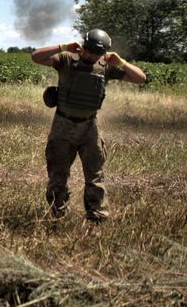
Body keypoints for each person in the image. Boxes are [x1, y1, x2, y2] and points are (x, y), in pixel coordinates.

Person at [31, 29, 146, 222]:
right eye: (89, 50)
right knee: (58, 176)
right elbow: (36, 57)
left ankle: (97, 219)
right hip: (63, 125)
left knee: (95, 177)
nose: (92, 56)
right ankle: (57, 215)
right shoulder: (67, 59)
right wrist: (63, 47)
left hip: (89, 128)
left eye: (97, 53)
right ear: (83, 46)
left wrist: (121, 63)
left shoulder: (106, 67)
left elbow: (140, 78)